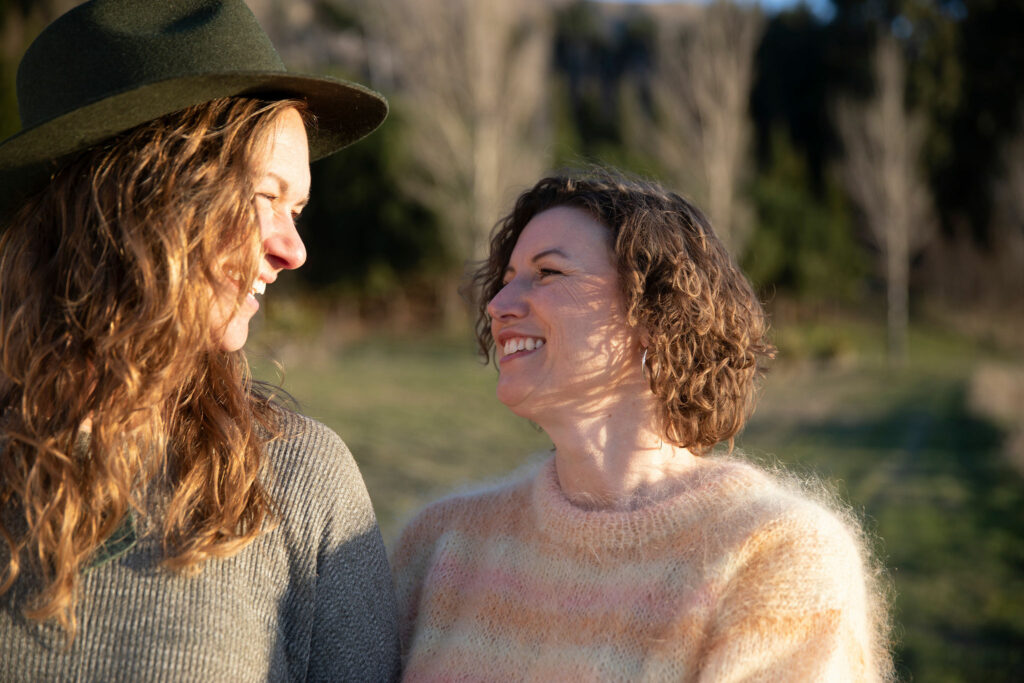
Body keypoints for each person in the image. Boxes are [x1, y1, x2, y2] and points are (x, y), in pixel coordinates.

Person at [0, 1, 399, 680]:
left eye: (296, 208)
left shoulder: (300, 487)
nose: (293, 249)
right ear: (143, 199)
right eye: (266, 196)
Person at [391, 171, 893, 681]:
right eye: (506, 280)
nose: (498, 306)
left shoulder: (774, 555)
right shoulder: (439, 546)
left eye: (547, 273)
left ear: (654, 315)